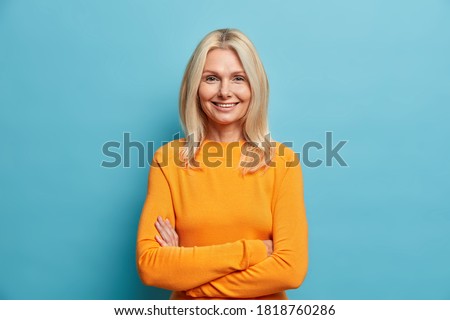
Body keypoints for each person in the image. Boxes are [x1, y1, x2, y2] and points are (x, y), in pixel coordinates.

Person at [136, 28, 308, 300]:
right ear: (195, 87)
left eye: (238, 78)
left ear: (255, 87)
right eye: (211, 78)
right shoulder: (168, 160)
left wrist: (189, 277)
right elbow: (152, 267)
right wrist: (254, 252)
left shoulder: (282, 163)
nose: (225, 92)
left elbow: (289, 270)